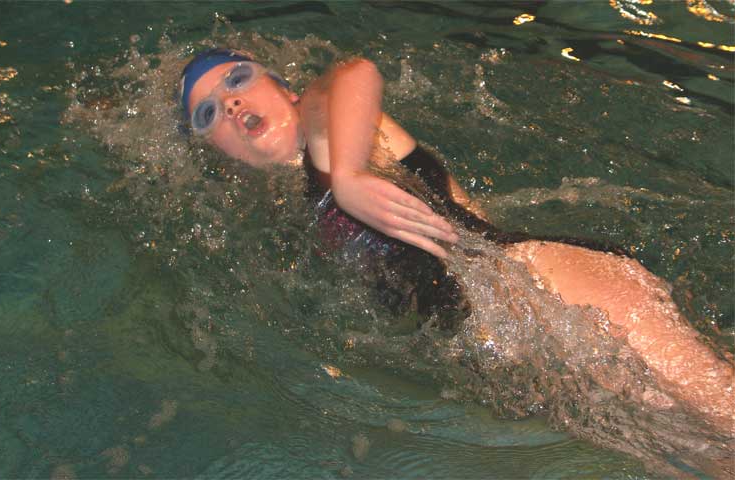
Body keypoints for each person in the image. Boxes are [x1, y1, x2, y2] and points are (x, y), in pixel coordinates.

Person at [179, 49, 733, 443]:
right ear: (217, 153)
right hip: (521, 337)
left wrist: (347, 177)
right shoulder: (294, 206)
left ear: (288, 91)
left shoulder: (327, 139)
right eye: (207, 114)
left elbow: (353, 72)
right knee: (706, 456)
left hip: (550, 285)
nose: (230, 102)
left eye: (238, 79)